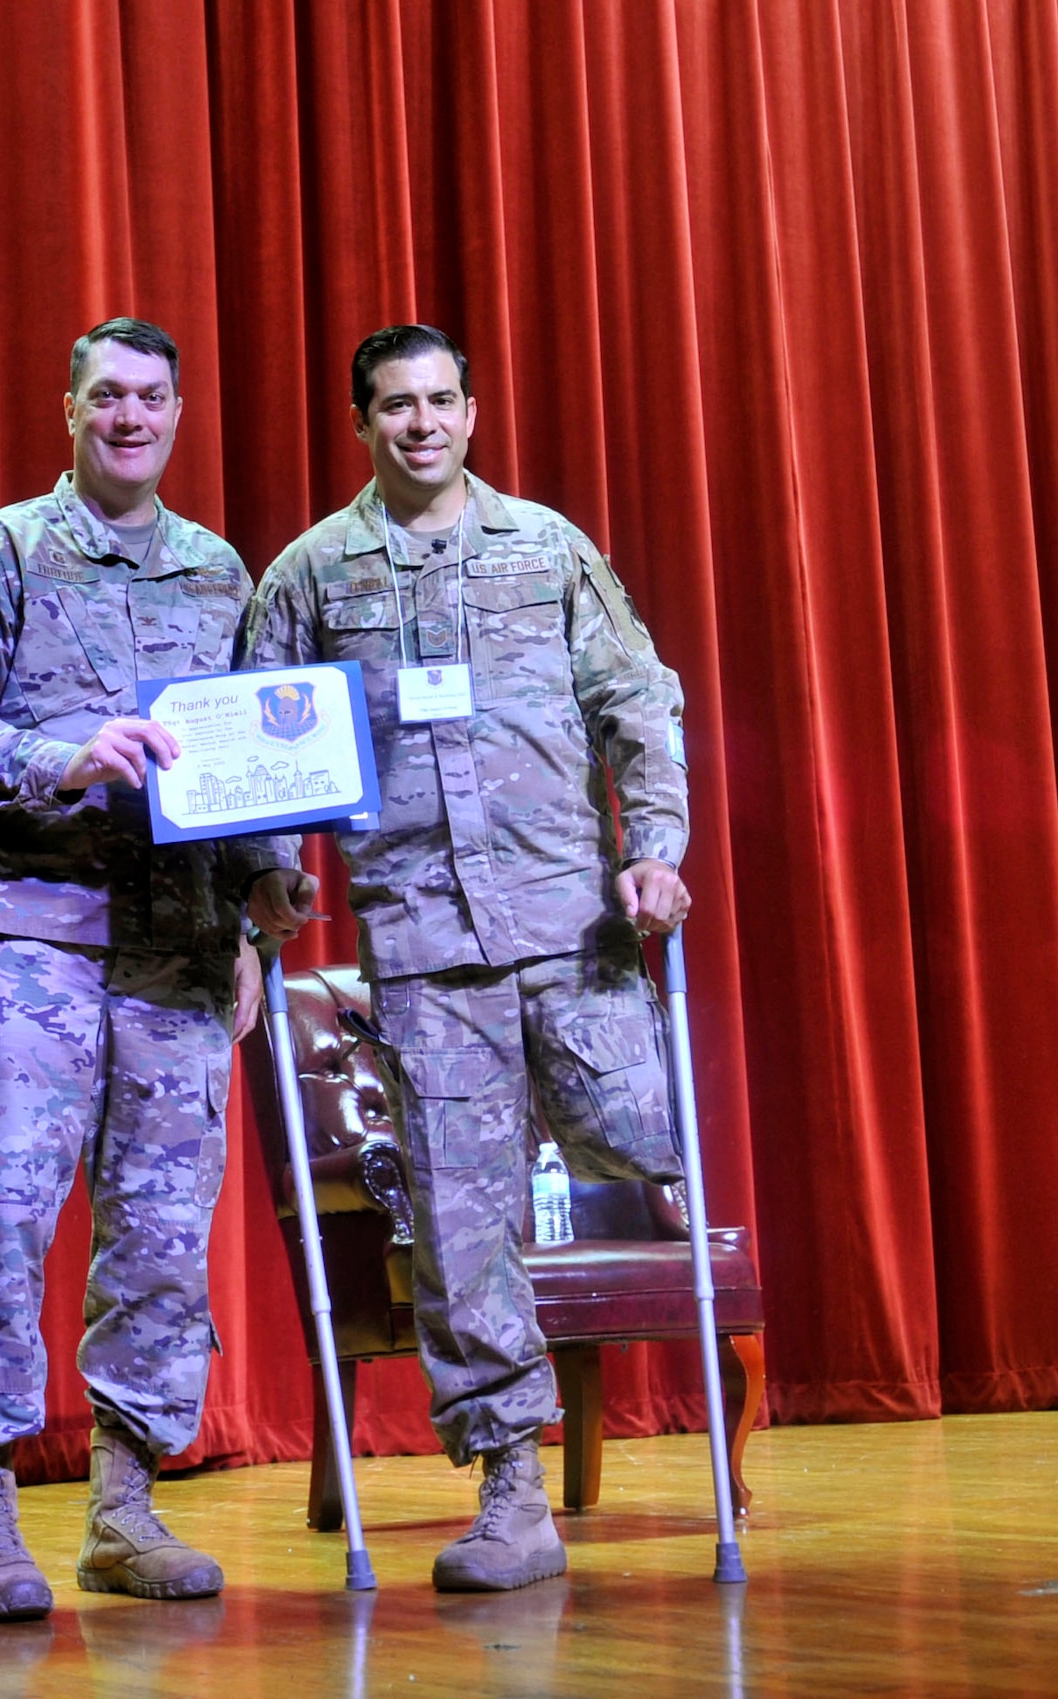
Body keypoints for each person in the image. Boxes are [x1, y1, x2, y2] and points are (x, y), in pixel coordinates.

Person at [241, 324, 691, 1592]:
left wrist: (653, 845)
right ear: (360, 423)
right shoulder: (312, 573)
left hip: (572, 925)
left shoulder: (545, 548)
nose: (421, 424)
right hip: (426, 944)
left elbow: (635, 701)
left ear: (472, 410)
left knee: (635, 1142)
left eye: (441, 401)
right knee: (458, 1214)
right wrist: (272, 866)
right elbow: (266, 742)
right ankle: (508, 1489)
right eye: (395, 405)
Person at [0, 317, 279, 1623]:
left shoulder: (220, 573)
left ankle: (123, 1508)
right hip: (28, 931)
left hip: (176, 950)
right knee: (2, 1218)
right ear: (68, 408)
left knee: (165, 1235)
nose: (130, 417)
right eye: (106, 394)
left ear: (179, 413)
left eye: (153, 397)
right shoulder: (0, 552)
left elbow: (244, 770)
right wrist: (60, 755)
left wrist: (255, 915)